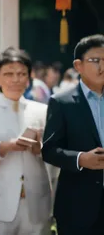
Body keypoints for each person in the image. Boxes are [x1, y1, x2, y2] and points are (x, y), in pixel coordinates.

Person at [0, 48, 51, 234]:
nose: (15, 79)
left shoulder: (42, 110)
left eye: (21, 74)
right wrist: (5, 146)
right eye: (9, 74)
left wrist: (39, 148)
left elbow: (53, 149)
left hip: (35, 200)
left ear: (28, 78)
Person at [42, 34, 104, 235]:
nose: (102, 66)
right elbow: (49, 151)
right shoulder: (62, 102)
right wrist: (80, 159)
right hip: (78, 207)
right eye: (95, 60)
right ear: (78, 66)